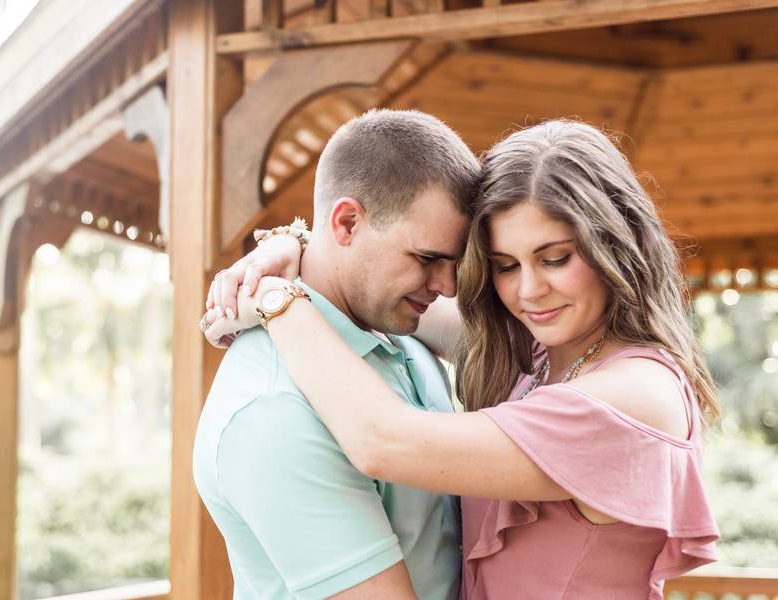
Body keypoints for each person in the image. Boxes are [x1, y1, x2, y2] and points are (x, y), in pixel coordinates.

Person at [202, 119, 721, 600]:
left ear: (615, 244)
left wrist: (275, 299)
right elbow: (370, 292)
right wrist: (296, 246)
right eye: (504, 265)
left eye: (555, 258)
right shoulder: (538, 356)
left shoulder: (633, 395)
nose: (530, 291)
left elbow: (383, 439)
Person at [193, 109, 480, 599]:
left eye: (457, 262)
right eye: (428, 259)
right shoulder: (272, 408)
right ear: (347, 223)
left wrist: (291, 246)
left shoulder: (401, 328)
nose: (447, 285)